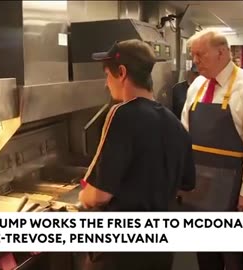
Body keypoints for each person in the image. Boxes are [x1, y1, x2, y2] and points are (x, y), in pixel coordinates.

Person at [78, 39, 196, 270]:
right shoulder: (175, 124)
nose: (106, 83)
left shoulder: (121, 114)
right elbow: (187, 182)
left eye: (107, 75)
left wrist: (83, 199)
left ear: (121, 72)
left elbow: (100, 194)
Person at [179, 29, 243, 269]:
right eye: (193, 55)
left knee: (232, 257)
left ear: (222, 52)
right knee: (205, 255)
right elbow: (184, 134)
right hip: (197, 188)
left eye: (201, 55)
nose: (195, 61)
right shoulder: (196, 86)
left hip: (231, 188)